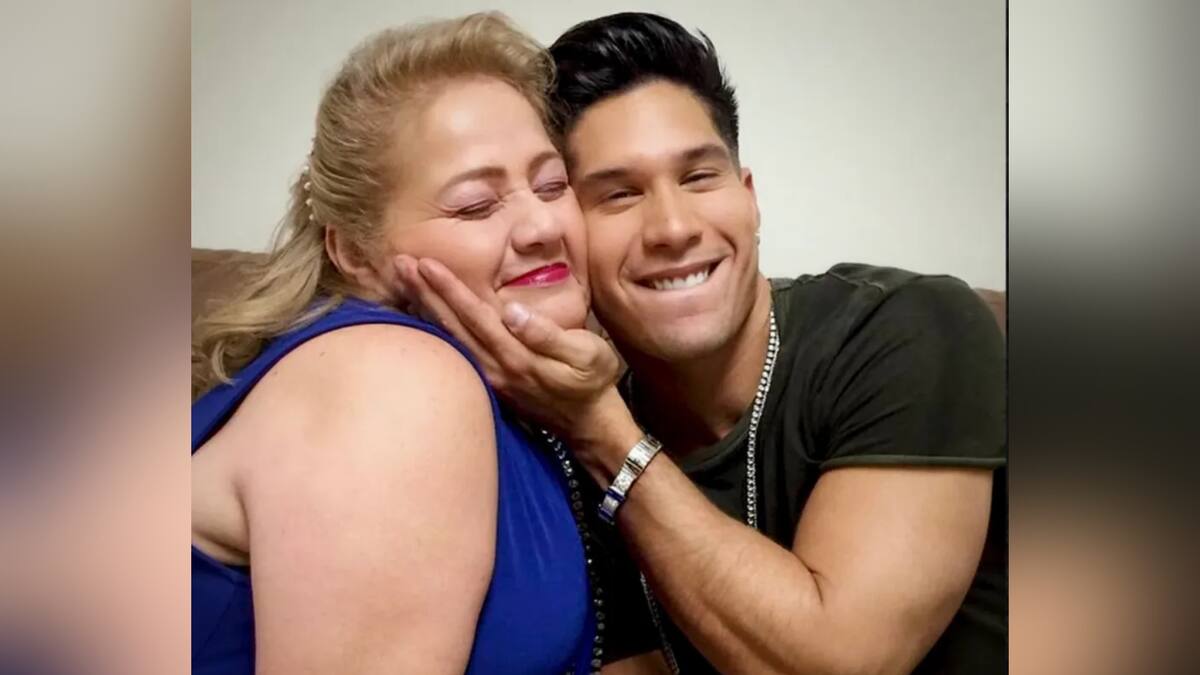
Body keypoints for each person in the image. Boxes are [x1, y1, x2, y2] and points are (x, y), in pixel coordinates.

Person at [394, 12, 1006, 675]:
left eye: (698, 178)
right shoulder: (561, 420)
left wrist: (602, 430)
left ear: (749, 198)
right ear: (568, 231)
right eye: (619, 194)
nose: (673, 227)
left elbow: (841, 660)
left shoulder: (909, 325)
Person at [190, 13, 611, 674]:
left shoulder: (523, 396)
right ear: (356, 254)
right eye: (475, 205)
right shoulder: (392, 381)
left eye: (552, 185)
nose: (542, 226)